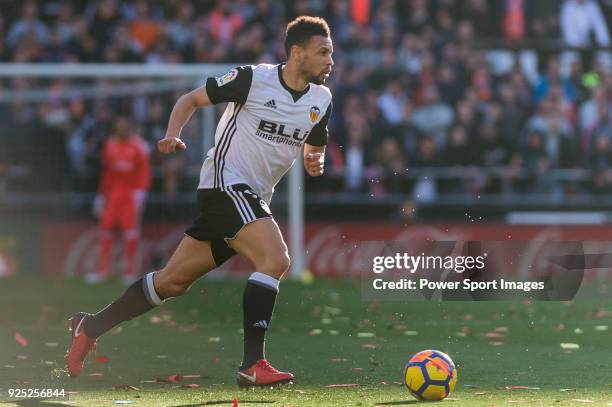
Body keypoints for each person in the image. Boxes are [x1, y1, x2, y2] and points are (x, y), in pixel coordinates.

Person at [66, 16, 334, 387]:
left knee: (171, 283)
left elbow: (315, 138)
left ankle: (89, 325)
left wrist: (313, 157)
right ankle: (252, 364)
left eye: (331, 53)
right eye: (322, 52)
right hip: (225, 185)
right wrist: (172, 135)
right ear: (296, 52)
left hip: (252, 198)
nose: (329, 61)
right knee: (275, 259)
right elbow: (190, 98)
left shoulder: (322, 99)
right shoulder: (253, 78)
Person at [87, 116, 151, 285]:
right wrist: (101, 195)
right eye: (119, 127)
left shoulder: (139, 146)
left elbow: (144, 172)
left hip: (130, 196)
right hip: (114, 195)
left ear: (130, 128)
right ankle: (102, 271)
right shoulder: (110, 145)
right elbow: (107, 173)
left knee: (130, 233)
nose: (121, 130)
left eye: (125, 127)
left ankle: (130, 271)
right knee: (105, 230)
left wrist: (141, 193)